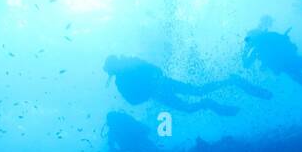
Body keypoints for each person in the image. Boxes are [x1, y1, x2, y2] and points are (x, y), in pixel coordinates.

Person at [103, 55, 270, 116]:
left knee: (198, 92)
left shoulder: (130, 66)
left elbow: (155, 69)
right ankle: (210, 103)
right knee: (191, 104)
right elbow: (132, 100)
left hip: (163, 86)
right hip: (160, 90)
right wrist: (151, 89)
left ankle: (231, 80)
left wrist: (155, 83)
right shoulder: (123, 78)